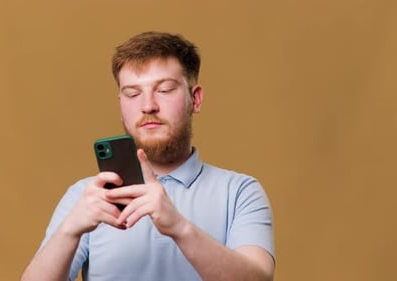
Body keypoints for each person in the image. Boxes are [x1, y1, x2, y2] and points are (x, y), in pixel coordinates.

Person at [21, 31, 275, 281]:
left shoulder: (240, 192)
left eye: (164, 90)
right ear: (121, 104)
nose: (148, 105)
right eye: (133, 94)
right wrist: (69, 231)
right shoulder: (87, 197)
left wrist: (178, 227)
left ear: (195, 100)